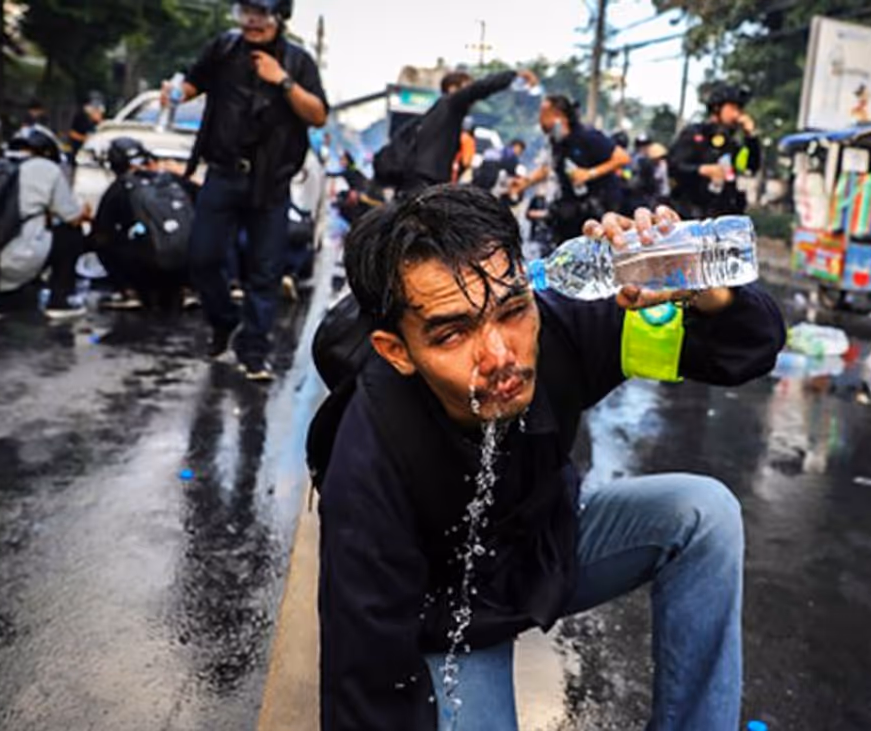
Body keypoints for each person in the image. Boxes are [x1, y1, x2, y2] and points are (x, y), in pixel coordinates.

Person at [317, 185, 784, 730]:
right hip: (451, 617)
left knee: (703, 513)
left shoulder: (561, 325)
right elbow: (365, 674)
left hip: (545, 549)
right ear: (396, 351)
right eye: (452, 334)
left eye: (512, 311)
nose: (499, 356)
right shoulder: (368, 458)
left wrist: (704, 291)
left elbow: (747, 348)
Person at [163, 0, 328, 382]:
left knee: (265, 271)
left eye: (261, 14)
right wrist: (172, 93)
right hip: (222, 175)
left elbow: (318, 114)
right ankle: (224, 320)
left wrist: (282, 80)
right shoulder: (223, 49)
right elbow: (189, 86)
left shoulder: (298, 61)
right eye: (246, 12)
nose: (252, 22)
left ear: (279, 19)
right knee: (202, 258)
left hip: (271, 182)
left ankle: (254, 350)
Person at [0, 124, 92, 320]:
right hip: (13, 262)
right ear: (46, 151)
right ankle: (60, 302)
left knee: (31, 225)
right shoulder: (47, 168)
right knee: (70, 235)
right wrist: (84, 212)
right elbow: (72, 217)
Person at [386, 67, 538, 195]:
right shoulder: (451, 103)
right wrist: (513, 75)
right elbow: (481, 88)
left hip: (418, 179)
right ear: (453, 88)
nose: (472, 99)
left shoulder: (436, 113)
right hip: (426, 180)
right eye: (467, 87)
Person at [91, 136, 196, 311]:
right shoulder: (175, 180)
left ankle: (129, 292)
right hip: (188, 262)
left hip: (147, 265)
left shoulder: (120, 187)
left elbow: (101, 231)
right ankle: (188, 289)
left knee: (105, 242)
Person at [510, 95, 631, 246]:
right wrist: (525, 183)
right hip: (571, 210)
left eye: (544, 116)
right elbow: (548, 168)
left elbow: (622, 157)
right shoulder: (557, 142)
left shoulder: (587, 136)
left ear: (560, 117)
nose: (540, 122)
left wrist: (590, 173)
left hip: (598, 208)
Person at [668, 84, 760, 218]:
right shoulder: (694, 134)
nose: (737, 114)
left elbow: (750, 167)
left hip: (722, 216)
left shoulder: (733, 144)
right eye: (733, 108)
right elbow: (674, 166)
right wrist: (702, 170)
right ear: (717, 108)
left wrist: (751, 137)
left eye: (740, 110)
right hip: (690, 214)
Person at [630, 133, 670, 213]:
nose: (643, 149)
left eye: (646, 146)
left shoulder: (659, 162)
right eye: (640, 147)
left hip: (654, 195)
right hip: (637, 194)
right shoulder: (633, 159)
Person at [68, 93, 106, 161]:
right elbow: (72, 133)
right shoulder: (80, 117)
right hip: (79, 151)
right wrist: (84, 139)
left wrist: (99, 121)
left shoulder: (98, 121)